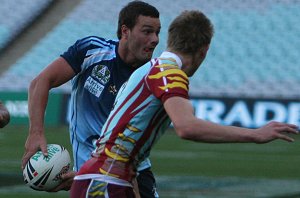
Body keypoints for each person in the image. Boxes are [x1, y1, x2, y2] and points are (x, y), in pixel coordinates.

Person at [70, 10, 299, 197]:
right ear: (204, 50)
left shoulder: (146, 70)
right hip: (105, 182)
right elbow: (186, 127)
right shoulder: (170, 74)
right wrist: (255, 135)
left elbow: (125, 145)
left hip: (108, 178)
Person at [21, 1, 161, 197]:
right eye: (147, 31)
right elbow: (41, 82)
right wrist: (36, 132)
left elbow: (127, 152)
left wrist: (85, 176)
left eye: (157, 32)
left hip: (129, 175)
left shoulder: (151, 79)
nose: (155, 39)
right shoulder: (92, 50)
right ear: (125, 31)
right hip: (91, 176)